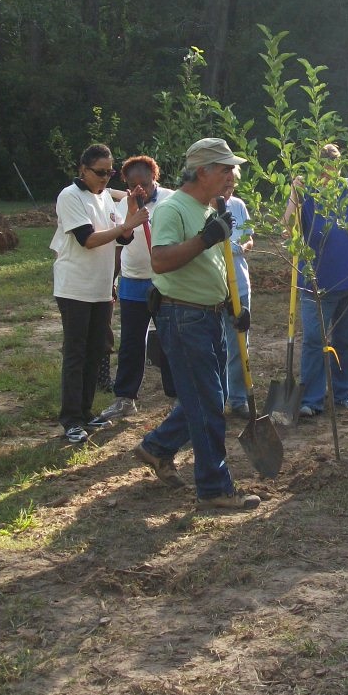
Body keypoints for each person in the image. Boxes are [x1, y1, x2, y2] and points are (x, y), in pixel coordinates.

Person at [132, 138, 260, 511]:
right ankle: (214, 488)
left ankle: (156, 447)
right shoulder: (175, 209)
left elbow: (216, 266)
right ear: (202, 171)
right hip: (183, 316)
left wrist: (232, 307)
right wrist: (206, 238)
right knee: (207, 406)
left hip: (209, 313)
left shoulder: (210, 207)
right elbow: (161, 261)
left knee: (208, 398)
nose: (232, 176)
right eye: (225, 169)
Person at [50, 144, 148, 444]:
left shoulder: (105, 197)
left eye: (110, 172)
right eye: (100, 172)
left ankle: (86, 410)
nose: (106, 178)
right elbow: (88, 239)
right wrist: (126, 226)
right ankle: (70, 419)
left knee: (97, 351)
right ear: (83, 169)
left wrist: (129, 217)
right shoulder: (70, 196)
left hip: (102, 288)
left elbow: (125, 238)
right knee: (76, 353)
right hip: (75, 287)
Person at [289, 143, 348, 418]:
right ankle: (311, 398)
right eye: (323, 167)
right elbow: (288, 229)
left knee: (347, 338)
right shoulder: (305, 192)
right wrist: (294, 195)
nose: (329, 173)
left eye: (333, 166)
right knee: (314, 340)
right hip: (317, 281)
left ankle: (343, 392)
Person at [92, 155, 175, 427]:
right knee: (131, 341)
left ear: (155, 179)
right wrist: (112, 280)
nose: (141, 190)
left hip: (165, 281)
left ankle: (177, 398)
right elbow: (120, 242)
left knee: (170, 340)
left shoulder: (172, 201)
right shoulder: (121, 205)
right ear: (126, 184)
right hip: (132, 281)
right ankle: (125, 398)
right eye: (133, 185)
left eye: (146, 184)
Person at [222, 166, 254, 415]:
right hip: (214, 285)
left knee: (239, 342)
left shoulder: (239, 205)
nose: (228, 189)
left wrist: (244, 245)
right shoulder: (202, 206)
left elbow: (249, 237)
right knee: (215, 344)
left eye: (232, 185)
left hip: (239, 283)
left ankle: (239, 397)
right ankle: (217, 396)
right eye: (225, 184)